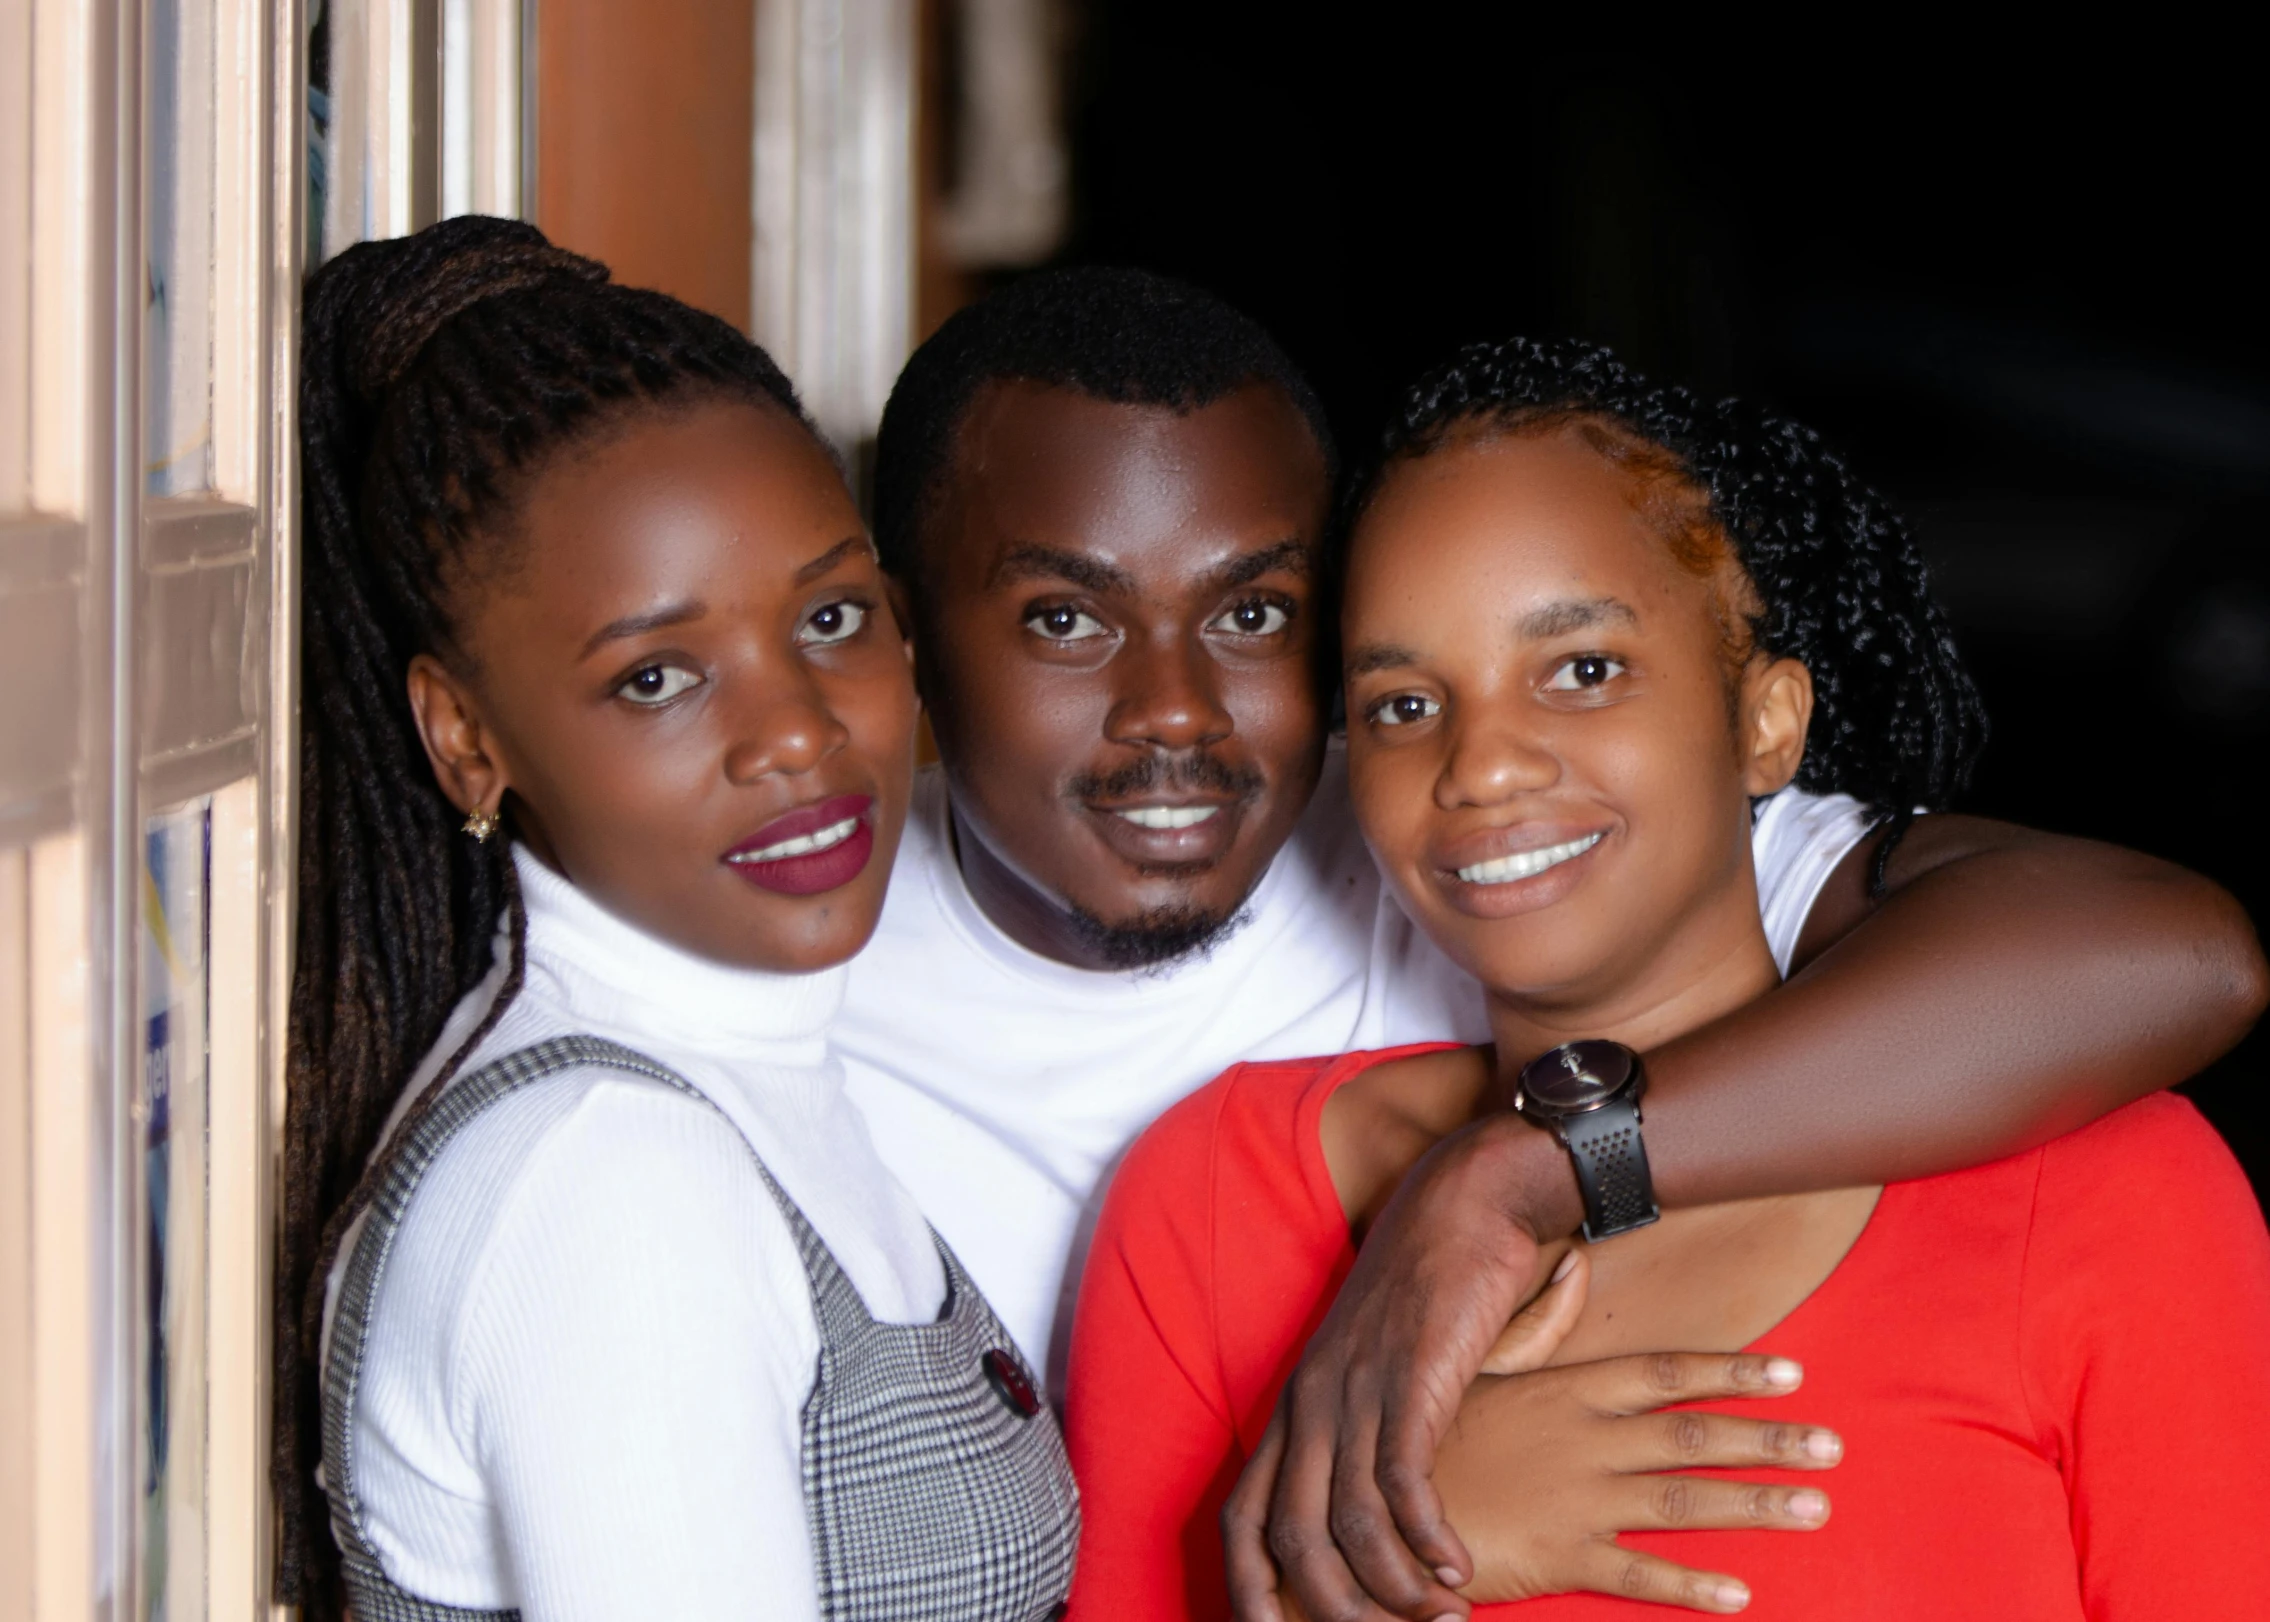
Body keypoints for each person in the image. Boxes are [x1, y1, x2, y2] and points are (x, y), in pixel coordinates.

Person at [841, 267, 2264, 1430]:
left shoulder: (1470, 834)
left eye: (1254, 614)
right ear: (895, 640)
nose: (1172, 713)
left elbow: (2165, 952)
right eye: (1064, 621)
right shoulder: (784, 986)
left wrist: (1530, 1166)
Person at [1064, 338, 2270, 1619]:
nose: (1481, 766)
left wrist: (1519, 1171)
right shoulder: (1214, 1197)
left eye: (1581, 670)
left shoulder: (2109, 1192)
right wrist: (1393, 1547)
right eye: (1405, 704)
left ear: (1765, 723)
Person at [271, 217, 1077, 1622]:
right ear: (466, 737)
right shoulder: (609, 1181)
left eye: (827, 618)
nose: (794, 733)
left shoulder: (738, 1080)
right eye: (656, 677)